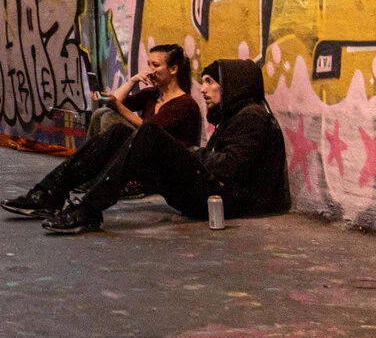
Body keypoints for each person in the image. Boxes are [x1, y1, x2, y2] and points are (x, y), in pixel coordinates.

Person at [39, 57, 290, 235]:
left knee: (149, 132)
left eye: (210, 81)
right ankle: (49, 192)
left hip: (229, 203)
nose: (203, 90)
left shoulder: (252, 118)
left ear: (234, 85)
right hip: (218, 195)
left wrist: (188, 153)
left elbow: (227, 166)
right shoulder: (237, 116)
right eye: (202, 82)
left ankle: (88, 209)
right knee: (118, 132)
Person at [1, 44, 200, 221]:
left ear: (173, 69)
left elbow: (150, 132)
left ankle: (93, 191)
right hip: (146, 160)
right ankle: (49, 193)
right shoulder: (154, 95)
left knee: (111, 118)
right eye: (148, 65)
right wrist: (131, 81)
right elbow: (116, 101)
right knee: (102, 112)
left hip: (163, 167)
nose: (150, 71)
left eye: (156, 66)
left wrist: (117, 107)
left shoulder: (184, 104)